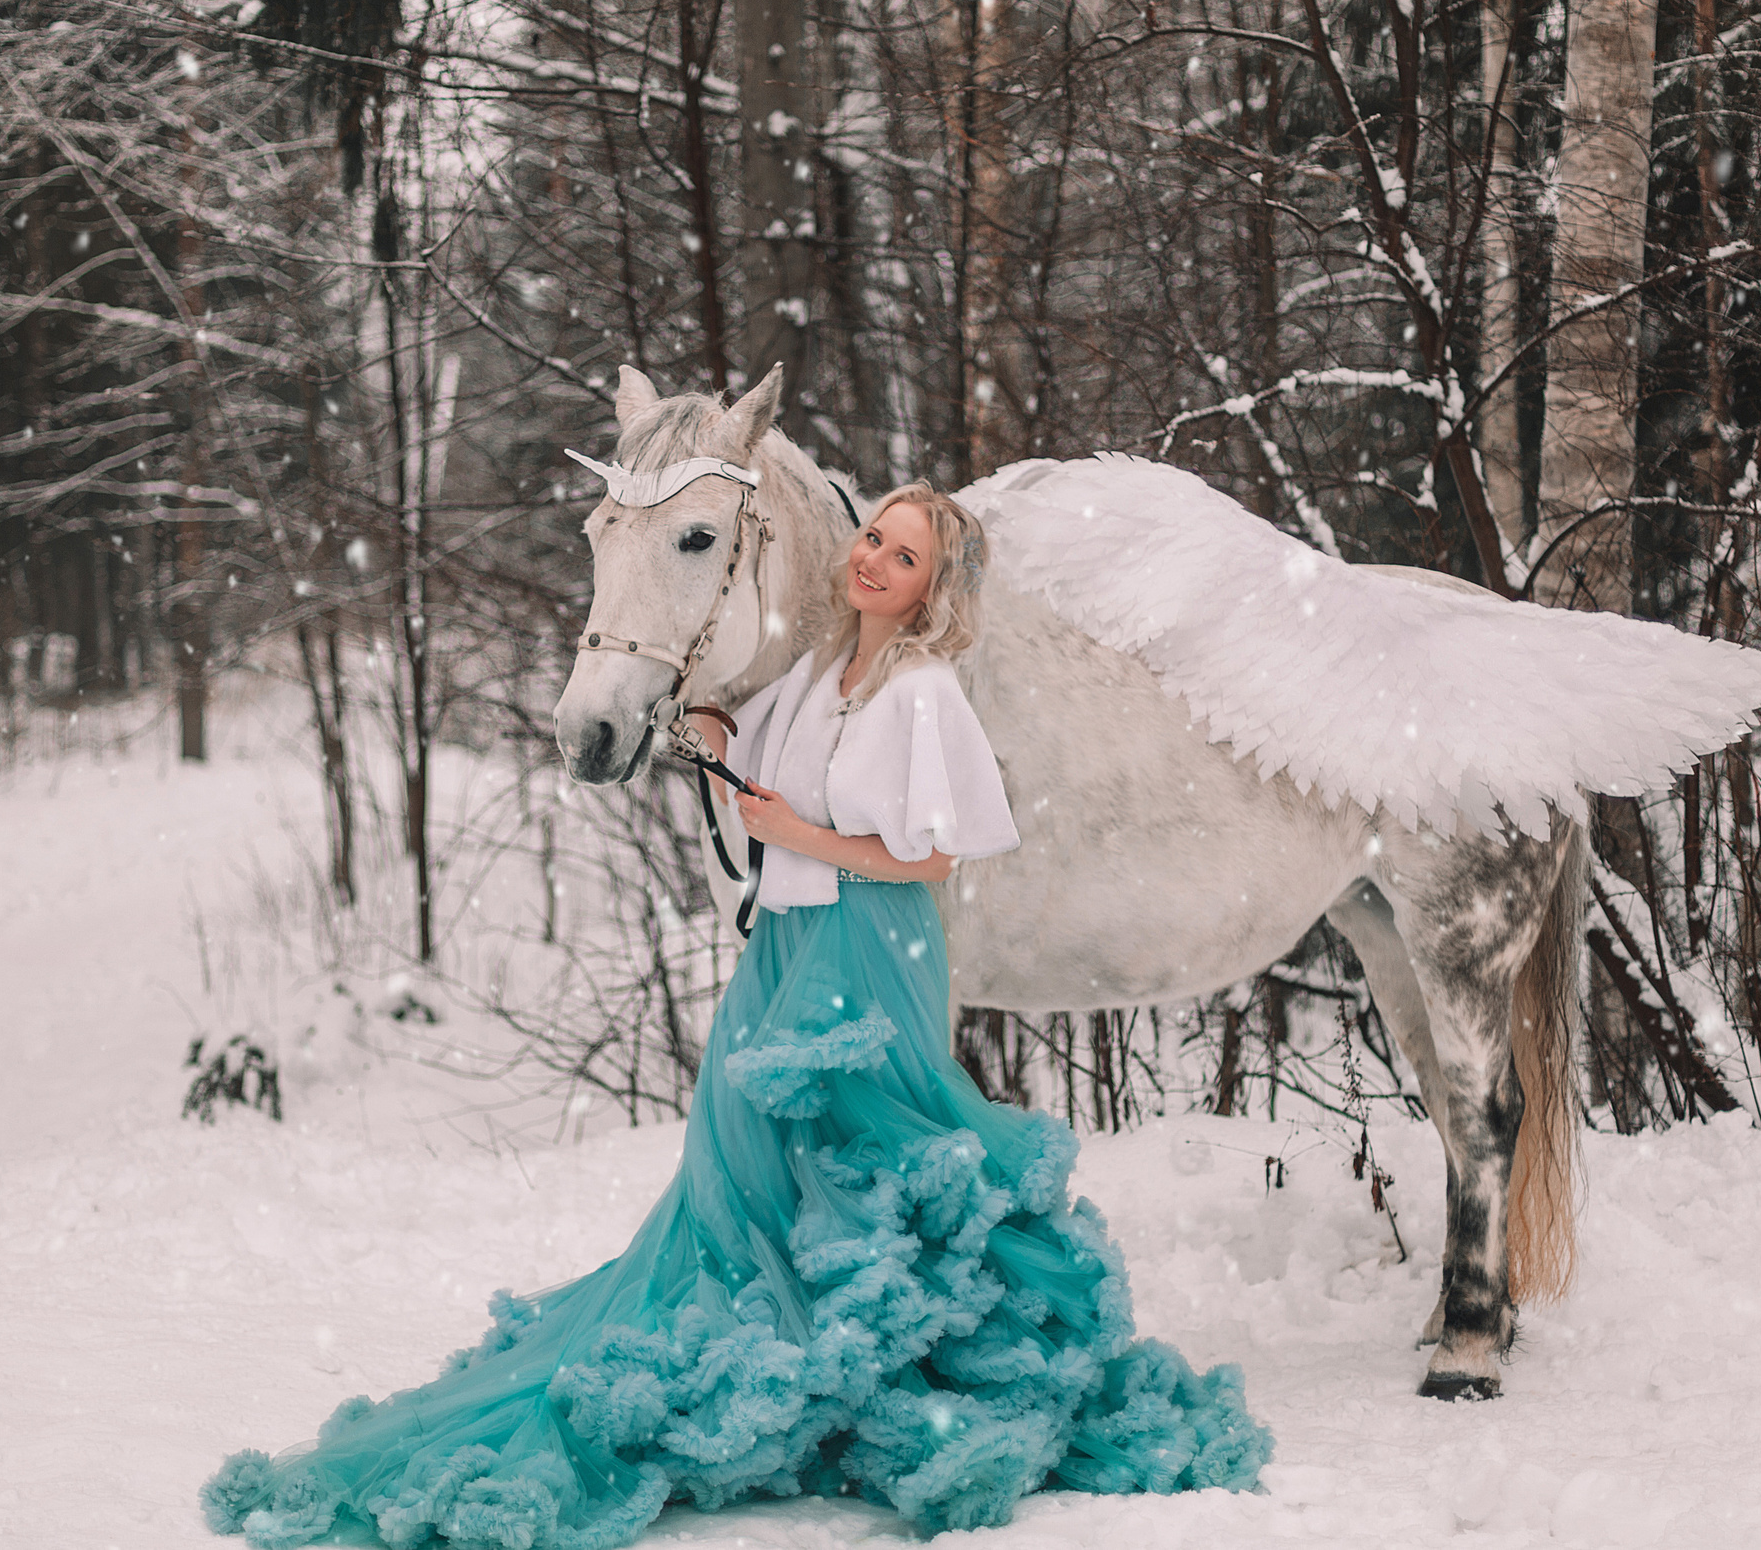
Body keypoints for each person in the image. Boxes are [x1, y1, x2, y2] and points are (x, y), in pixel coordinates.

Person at [202, 484, 1271, 1550]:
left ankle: (905, 1378)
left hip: (869, 943)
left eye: (901, 557)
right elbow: (747, 778)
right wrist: (716, 728)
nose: (870, 562)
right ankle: (814, 1373)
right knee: (750, 1163)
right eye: (871, 537)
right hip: (788, 945)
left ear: (931, 589)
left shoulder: (921, 690)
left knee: (873, 1159)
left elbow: (933, 855)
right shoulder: (819, 671)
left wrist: (798, 833)